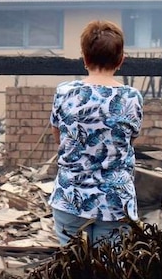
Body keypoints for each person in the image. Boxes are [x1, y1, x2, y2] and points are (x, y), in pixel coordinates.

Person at [48, 20, 144, 246]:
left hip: (70, 196)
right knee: (110, 272)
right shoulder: (131, 98)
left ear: (84, 56)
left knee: (72, 269)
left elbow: (59, 138)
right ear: (121, 60)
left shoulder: (64, 93)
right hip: (116, 202)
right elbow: (130, 140)